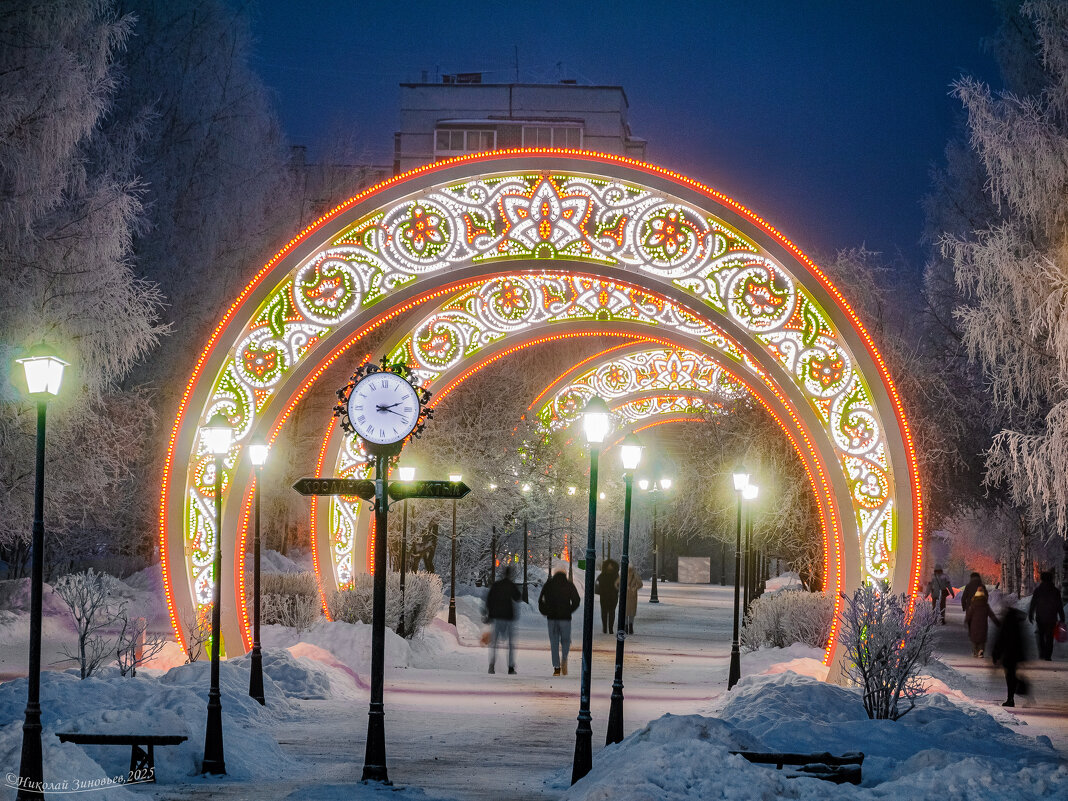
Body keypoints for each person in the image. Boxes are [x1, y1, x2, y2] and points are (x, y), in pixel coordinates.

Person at [538, 564, 580, 676]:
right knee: (566, 641)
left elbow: (541, 600)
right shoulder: (569, 585)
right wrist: (569, 610)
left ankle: (556, 668)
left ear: (555, 573)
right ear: (565, 573)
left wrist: (545, 611)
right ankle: (564, 658)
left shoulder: (548, 585)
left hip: (552, 619)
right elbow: (576, 600)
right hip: (565, 618)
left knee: (554, 643)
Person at [485, 565, 521, 675]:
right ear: (510, 575)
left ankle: (492, 665)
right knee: (510, 644)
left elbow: (489, 600)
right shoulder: (511, 586)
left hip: (497, 617)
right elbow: (518, 597)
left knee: (494, 643)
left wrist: (489, 614)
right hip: (508, 617)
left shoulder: (496, 586)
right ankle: (510, 667)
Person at [992, 605, 1029, 707]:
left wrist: (996, 655)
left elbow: (1000, 640)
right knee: (1011, 676)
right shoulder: (1017, 624)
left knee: (1010, 677)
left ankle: (1011, 698)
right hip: (1015, 655)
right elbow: (1023, 641)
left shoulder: (1006, 624)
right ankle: (1012, 697)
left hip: (1007, 656)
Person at [1029, 570, 1066, 661]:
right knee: (1049, 637)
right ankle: (1048, 655)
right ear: (1051, 579)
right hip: (1051, 618)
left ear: (1042, 579)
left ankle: (1042, 653)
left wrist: (1030, 614)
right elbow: (1059, 605)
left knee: (1041, 635)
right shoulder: (1055, 591)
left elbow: (1033, 603)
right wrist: (1062, 617)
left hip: (1040, 617)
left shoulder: (1038, 590)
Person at [964, 584, 998, 658]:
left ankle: (975, 652)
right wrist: (997, 623)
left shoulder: (973, 605)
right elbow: (991, 615)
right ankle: (981, 650)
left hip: (974, 624)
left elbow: (969, 615)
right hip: (983, 624)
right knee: (982, 638)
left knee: (974, 638)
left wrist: (966, 621)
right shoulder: (986, 605)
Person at [595, 559, 619, 634]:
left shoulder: (602, 575)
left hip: (605, 596)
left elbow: (597, 584)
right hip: (612, 596)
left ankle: (606, 628)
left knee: (605, 612)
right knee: (611, 612)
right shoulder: (616, 576)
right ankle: (609, 628)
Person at [617, 564, 643, 635]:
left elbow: (616, 584)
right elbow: (617, 583)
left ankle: (627, 628)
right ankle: (629, 628)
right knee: (629, 612)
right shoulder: (631, 575)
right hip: (630, 596)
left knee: (628, 612)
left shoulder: (626, 575)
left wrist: (621, 589)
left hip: (629, 596)